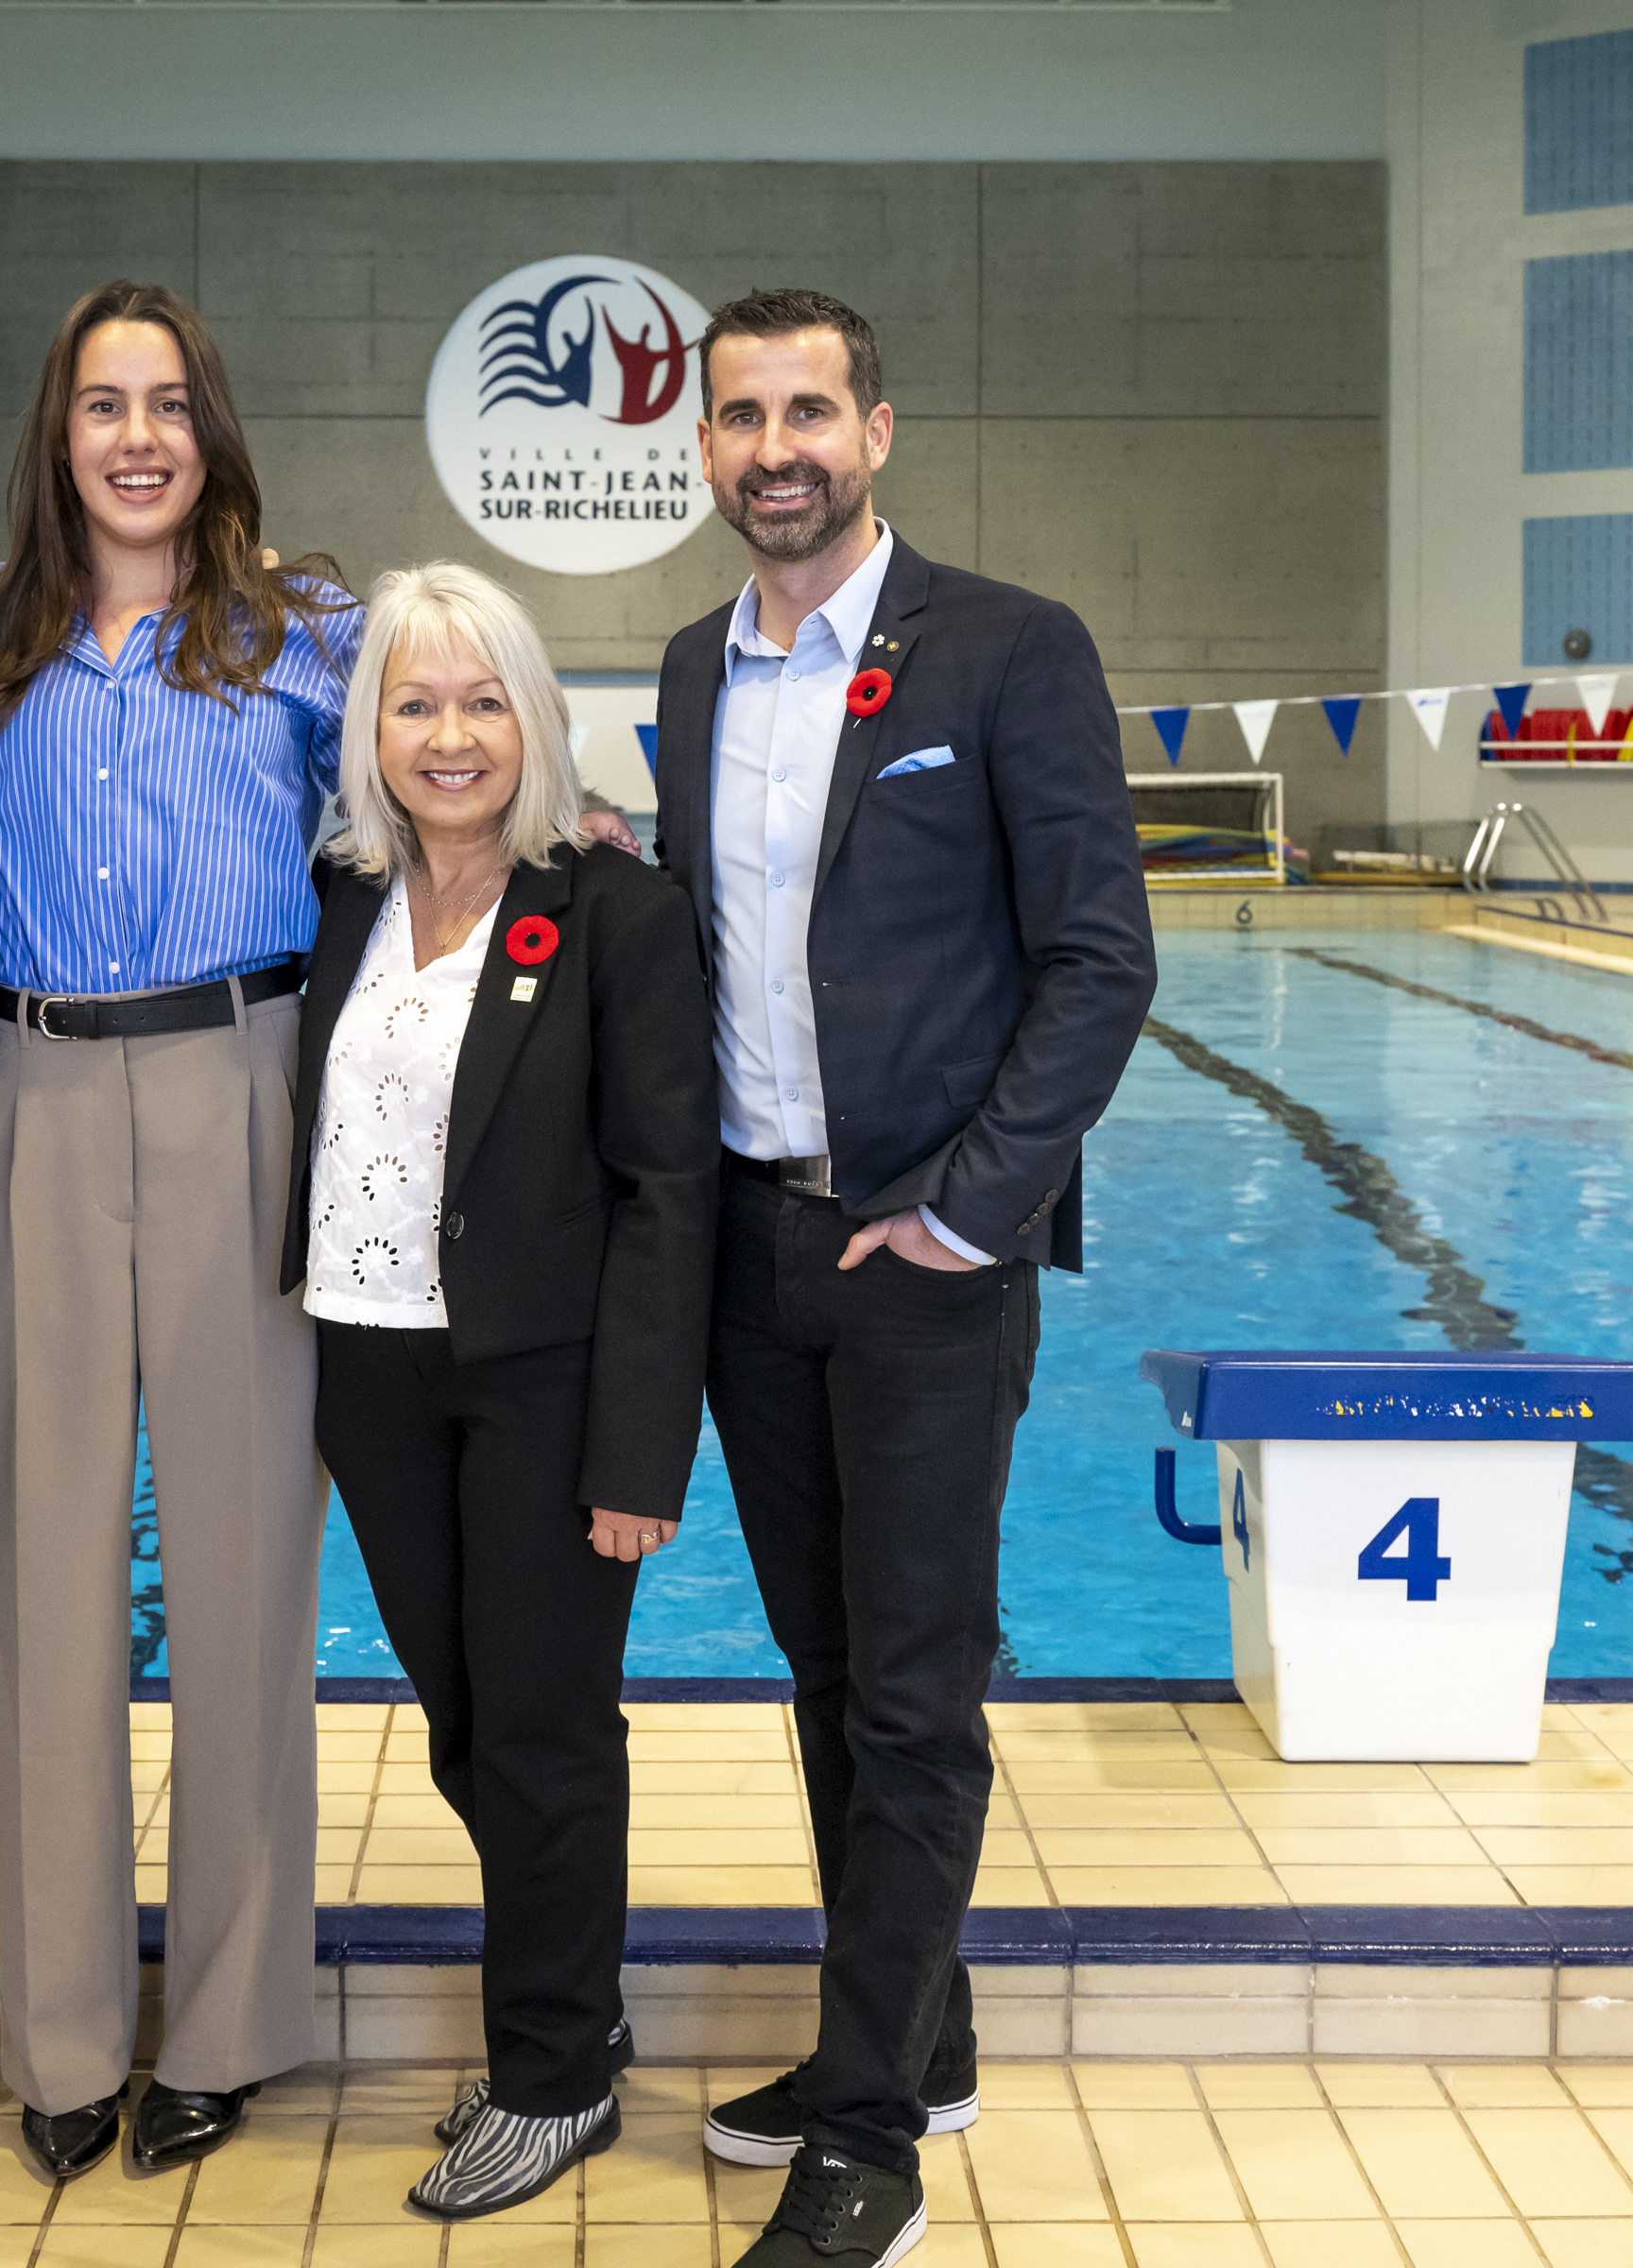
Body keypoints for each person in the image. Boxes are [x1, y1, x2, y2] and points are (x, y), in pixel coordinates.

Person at [650, 288, 1157, 2268]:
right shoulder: (697, 669)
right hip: (755, 1243)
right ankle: (915, 2035)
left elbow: (1100, 959)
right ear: (704, 449)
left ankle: (870, 2130)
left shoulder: (1010, 649)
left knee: (919, 1692)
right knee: (831, 1670)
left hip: (929, 1259)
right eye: (739, 417)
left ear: (879, 431)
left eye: (809, 411)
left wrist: (970, 1209)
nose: (775, 447)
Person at [0, 280, 355, 2184]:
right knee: (44, 1584)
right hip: (29, 1096)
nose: (135, 436)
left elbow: (461, 791)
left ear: (212, 430)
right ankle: (65, 2033)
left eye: (169, 402)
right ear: (60, 432)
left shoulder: (307, 632)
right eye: (103, 402)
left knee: (250, 1571)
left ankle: (238, 2019)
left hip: (238, 1081)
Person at [282, 563, 714, 2220]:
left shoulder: (610, 908)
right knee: (468, 1723)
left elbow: (668, 1194)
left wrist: (637, 1452)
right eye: (413, 703)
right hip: (367, 1363)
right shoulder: (339, 897)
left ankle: (552, 2076)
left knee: (539, 1733)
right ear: (371, 730)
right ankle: (574, 2008)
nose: (448, 736)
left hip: (539, 1384)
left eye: (479, 702)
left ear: (532, 718)